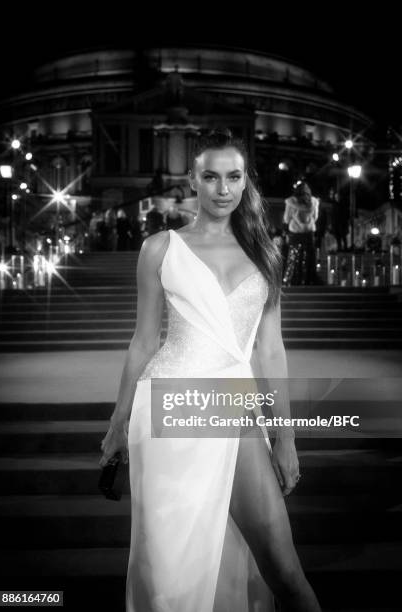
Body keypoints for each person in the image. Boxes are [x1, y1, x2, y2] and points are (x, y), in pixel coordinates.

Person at [99, 129, 322, 612]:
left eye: (234, 176)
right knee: (169, 576)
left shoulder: (267, 252)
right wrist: (118, 423)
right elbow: (142, 341)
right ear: (193, 181)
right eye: (211, 177)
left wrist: (285, 436)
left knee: (284, 568)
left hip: (235, 406)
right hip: (167, 410)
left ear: (246, 182)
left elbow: (271, 349)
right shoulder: (160, 247)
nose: (224, 189)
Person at [282, 182, 320, 285]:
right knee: (308, 257)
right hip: (309, 232)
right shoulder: (314, 202)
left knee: (294, 256)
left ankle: (293, 279)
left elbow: (286, 218)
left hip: (296, 232)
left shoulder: (291, 202)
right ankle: (308, 279)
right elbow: (315, 217)